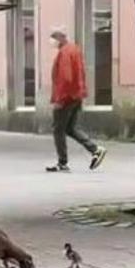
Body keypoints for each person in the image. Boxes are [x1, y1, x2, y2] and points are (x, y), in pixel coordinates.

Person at [46, 27, 107, 173]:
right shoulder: (75, 49)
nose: (52, 44)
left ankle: (62, 162)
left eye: (53, 40)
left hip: (67, 97)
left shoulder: (65, 52)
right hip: (76, 95)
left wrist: (60, 99)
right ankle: (95, 149)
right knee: (70, 128)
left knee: (58, 129)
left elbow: (66, 77)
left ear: (59, 39)